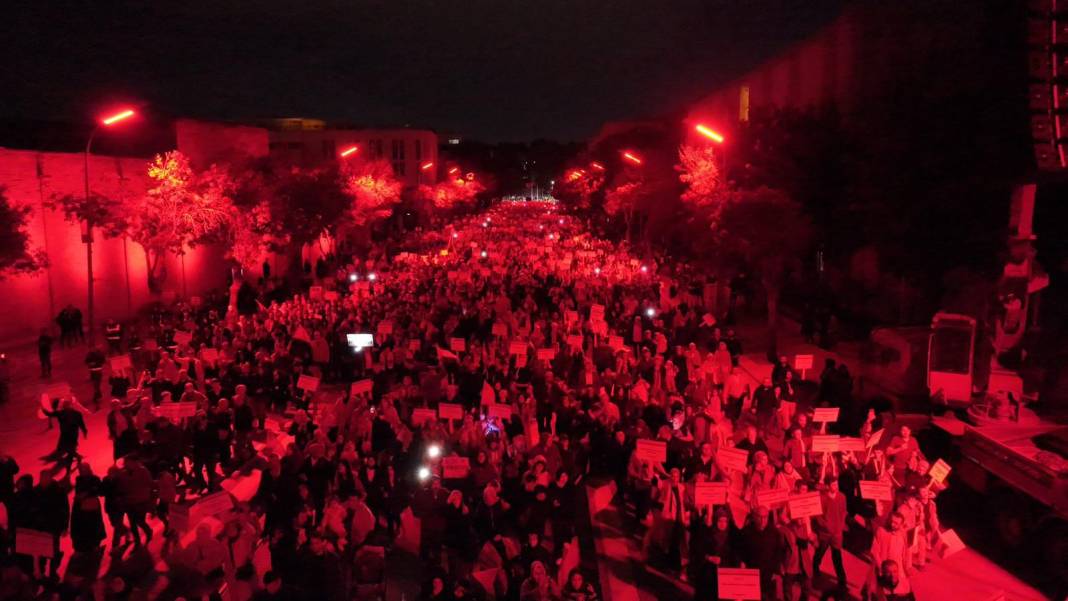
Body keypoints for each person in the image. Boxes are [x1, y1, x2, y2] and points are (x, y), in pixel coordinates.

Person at [812, 476, 849, 593]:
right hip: (825, 533)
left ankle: (842, 581)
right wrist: (825, 525)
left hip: (837, 534)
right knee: (820, 552)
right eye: (833, 485)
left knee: (837, 557)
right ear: (827, 486)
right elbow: (817, 514)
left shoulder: (842, 497)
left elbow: (844, 512)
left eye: (837, 484)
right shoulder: (822, 498)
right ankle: (815, 567)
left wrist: (841, 525)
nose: (836, 487)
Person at [42, 399, 88, 475]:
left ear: (70, 405)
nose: (65, 406)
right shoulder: (61, 413)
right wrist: (43, 409)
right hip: (64, 435)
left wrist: (84, 431)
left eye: (66, 405)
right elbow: (50, 414)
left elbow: (81, 424)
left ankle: (68, 470)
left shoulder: (76, 414)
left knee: (69, 453)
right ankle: (77, 456)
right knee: (62, 449)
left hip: (73, 436)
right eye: (64, 405)